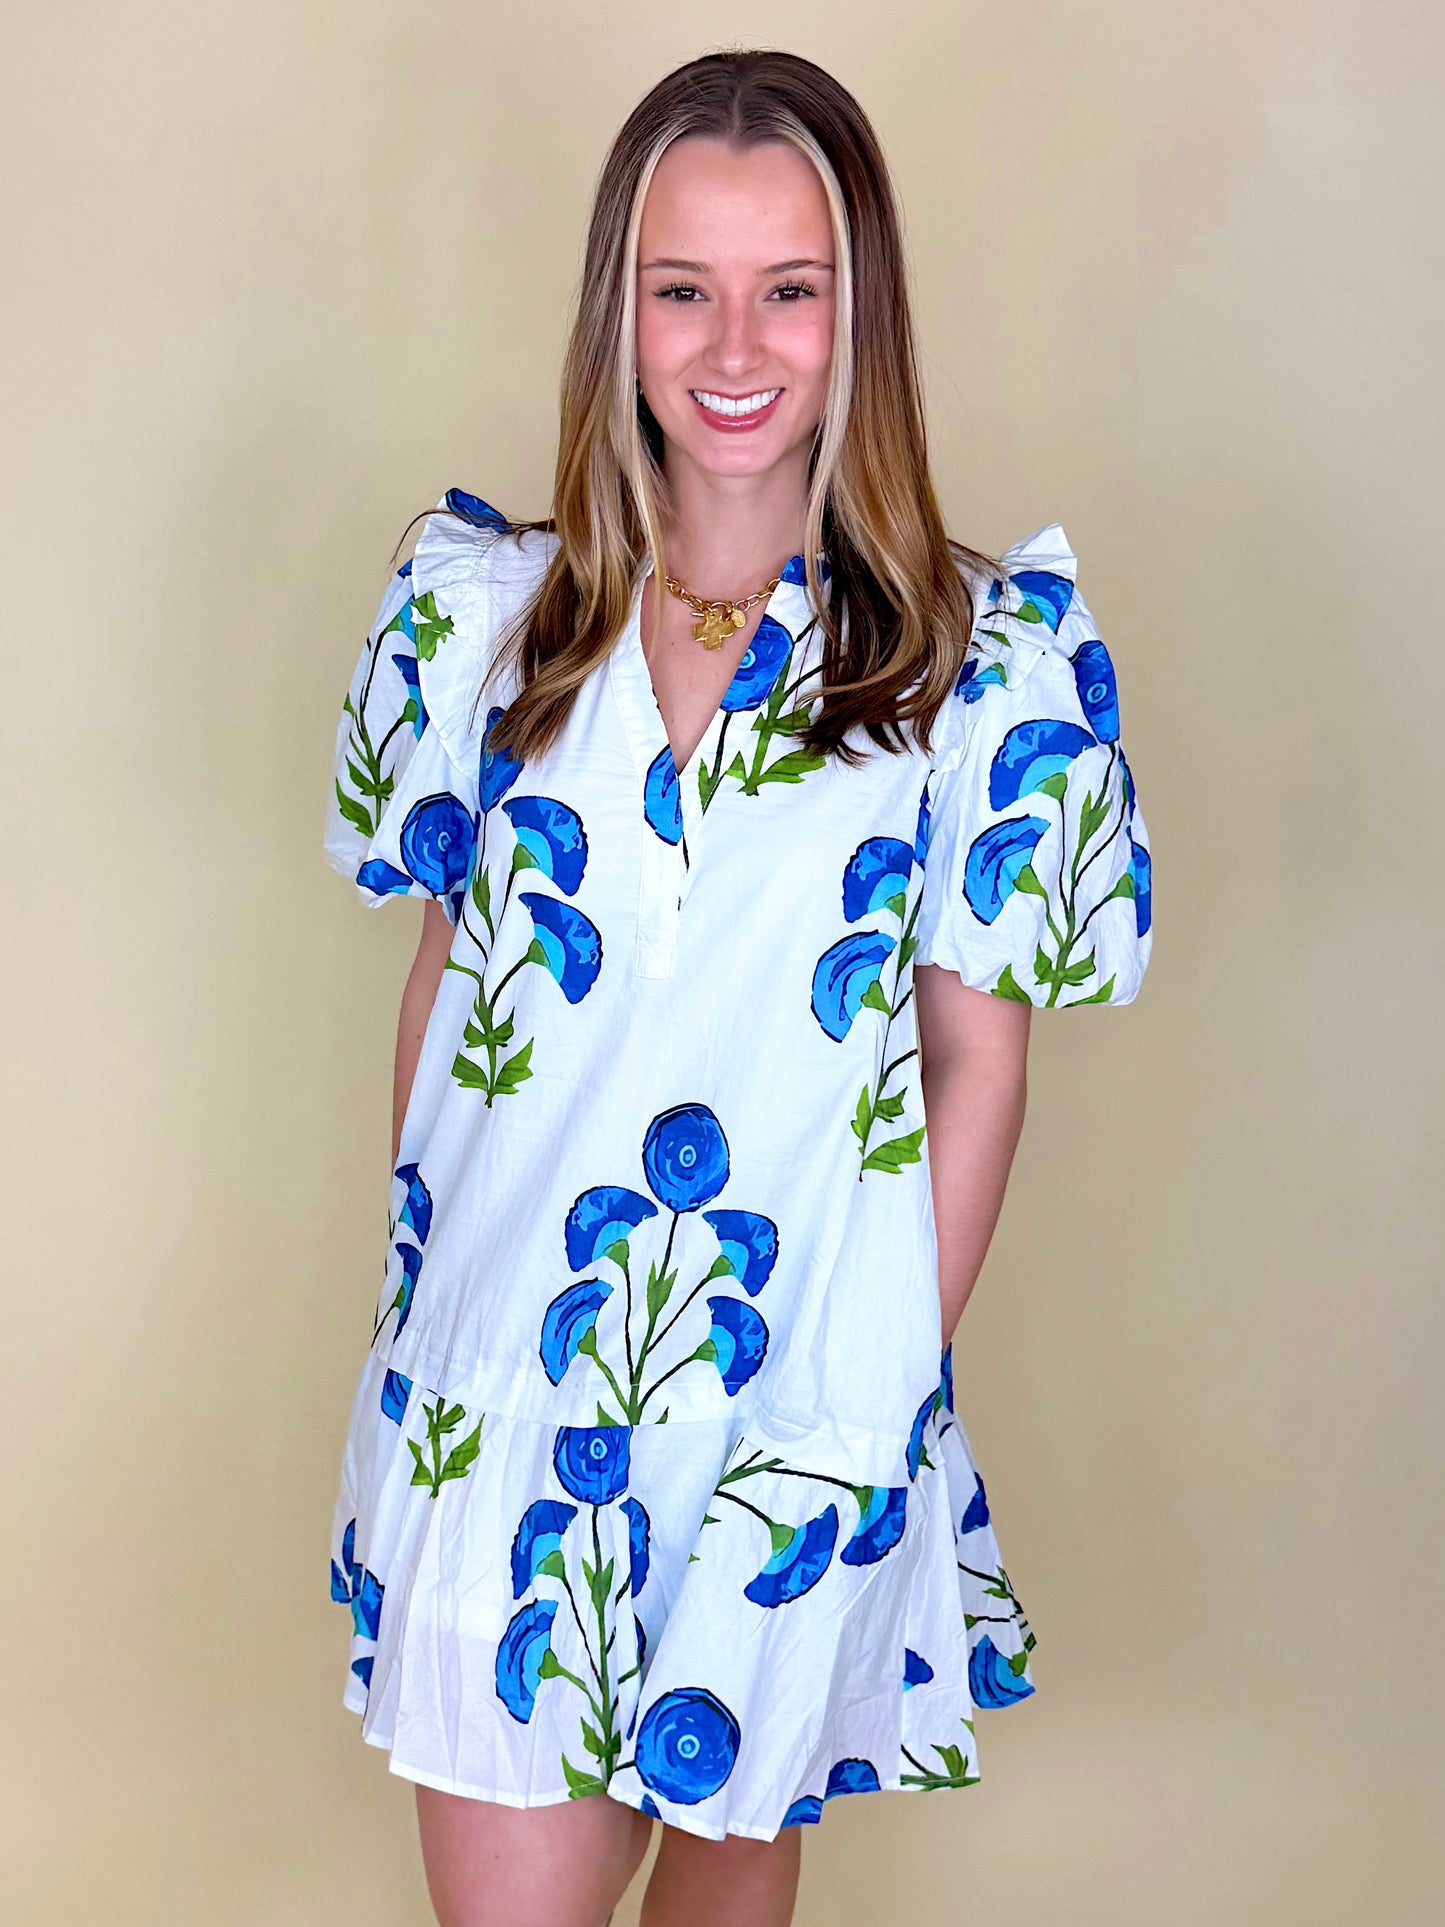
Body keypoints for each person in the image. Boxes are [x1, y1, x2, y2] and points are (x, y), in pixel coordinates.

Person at [323, 47, 1152, 1927]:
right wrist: (438, 1310)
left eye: (791, 288)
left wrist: (866, 1399)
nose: (734, 346)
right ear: (615, 310)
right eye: (680, 287)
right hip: (504, 1404)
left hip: (792, 1416)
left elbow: (975, 1061)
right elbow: (449, 987)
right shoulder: (480, 623)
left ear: (863, 315)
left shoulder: (979, 666)